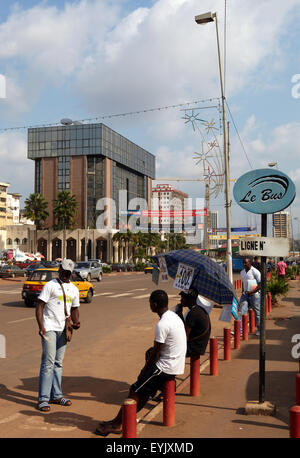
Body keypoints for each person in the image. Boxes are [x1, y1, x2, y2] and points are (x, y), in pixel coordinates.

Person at [95, 289, 187, 436]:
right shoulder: (173, 316)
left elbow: (156, 353)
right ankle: (117, 420)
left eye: (150, 302)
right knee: (142, 390)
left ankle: (118, 424)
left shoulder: (162, 324)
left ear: (155, 305)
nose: (149, 304)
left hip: (166, 366)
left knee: (136, 390)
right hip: (175, 362)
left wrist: (144, 370)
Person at [35, 259, 80, 412]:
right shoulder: (50, 285)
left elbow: (74, 308)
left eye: (68, 273)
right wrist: (41, 326)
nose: (66, 275)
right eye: (64, 272)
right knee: (48, 363)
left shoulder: (74, 289)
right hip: (49, 328)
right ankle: (43, 399)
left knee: (58, 363)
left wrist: (76, 322)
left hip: (63, 329)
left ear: (71, 273)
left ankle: (57, 395)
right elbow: (40, 306)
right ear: (59, 270)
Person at [175, 286, 211, 357]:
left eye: (183, 298)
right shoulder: (198, 309)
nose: (181, 300)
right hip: (200, 345)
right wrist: (180, 314)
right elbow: (185, 327)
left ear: (190, 300)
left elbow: (184, 335)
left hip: (194, 348)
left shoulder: (192, 314)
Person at [239, 258, 261, 336]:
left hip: (255, 295)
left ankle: (259, 329)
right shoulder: (242, 272)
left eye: (246, 263)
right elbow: (243, 283)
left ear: (250, 263)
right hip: (245, 295)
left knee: (257, 313)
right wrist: (243, 291)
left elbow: (260, 284)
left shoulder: (255, 271)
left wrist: (251, 292)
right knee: (242, 311)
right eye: (243, 263)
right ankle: (241, 331)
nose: (244, 264)